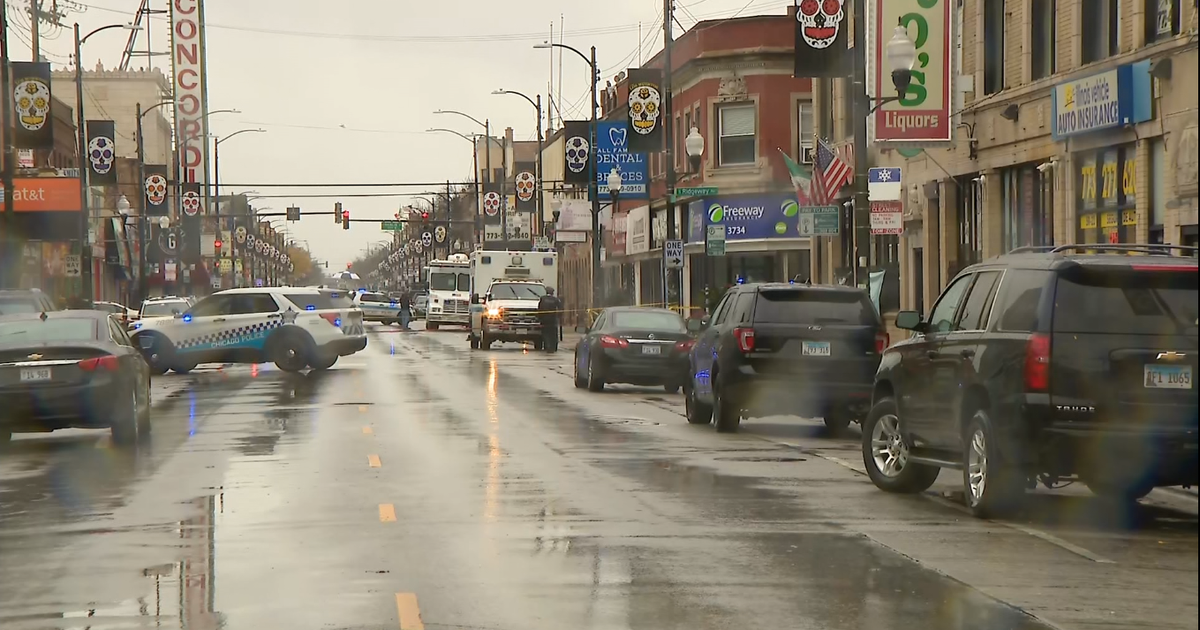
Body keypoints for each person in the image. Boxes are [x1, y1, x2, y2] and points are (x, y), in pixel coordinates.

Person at [536, 287, 561, 353]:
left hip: (544, 320)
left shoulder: (542, 299)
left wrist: (539, 319)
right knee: (553, 334)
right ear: (552, 292)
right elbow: (560, 308)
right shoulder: (555, 300)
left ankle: (547, 346)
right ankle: (553, 347)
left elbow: (539, 309)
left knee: (546, 334)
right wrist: (558, 317)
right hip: (553, 320)